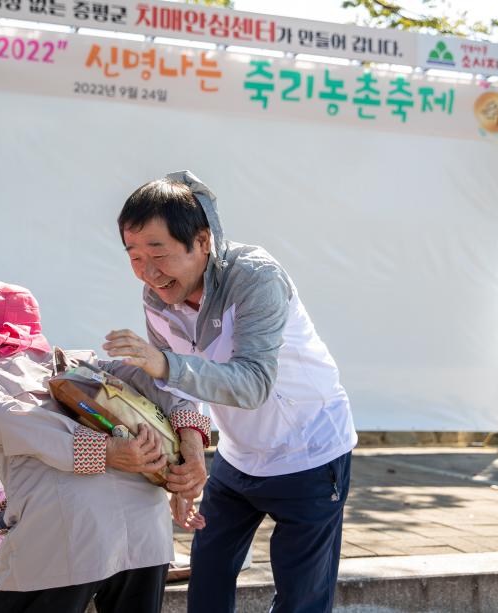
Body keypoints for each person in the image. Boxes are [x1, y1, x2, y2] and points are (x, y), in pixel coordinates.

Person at [103, 171, 358, 613]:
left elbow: (253, 382)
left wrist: (162, 363)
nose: (148, 271)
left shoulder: (255, 278)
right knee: (209, 572)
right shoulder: (156, 296)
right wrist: (191, 453)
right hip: (239, 455)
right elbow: (176, 390)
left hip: (309, 452)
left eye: (158, 251)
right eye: (134, 255)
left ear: (202, 241)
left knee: (301, 597)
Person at [0, 280, 210, 613]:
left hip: (61, 540)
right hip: (146, 533)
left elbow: (13, 419)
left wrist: (102, 451)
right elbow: (166, 381)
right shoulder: (84, 364)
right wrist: (192, 448)